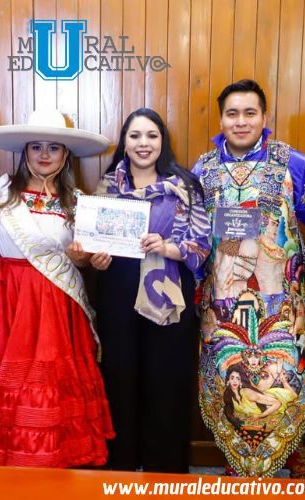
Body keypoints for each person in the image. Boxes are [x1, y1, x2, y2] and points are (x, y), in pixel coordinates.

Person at [0, 109, 114, 467]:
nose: (44, 154)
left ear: (65, 154)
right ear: (25, 152)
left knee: (53, 382)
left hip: (57, 302)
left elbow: (82, 259)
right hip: (11, 299)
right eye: (36, 147)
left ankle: (56, 455)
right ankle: (12, 456)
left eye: (54, 147)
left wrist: (86, 258)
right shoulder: (0, 194)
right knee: (13, 380)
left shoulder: (77, 200)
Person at [193, 79, 305, 478]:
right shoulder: (202, 169)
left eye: (250, 113)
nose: (241, 121)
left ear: (265, 117)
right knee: (231, 385)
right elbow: (194, 232)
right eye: (232, 114)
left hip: (282, 304)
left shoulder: (293, 162)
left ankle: (298, 467)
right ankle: (237, 469)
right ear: (221, 120)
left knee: (286, 383)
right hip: (222, 303)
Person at [77, 108, 210, 472]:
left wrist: (169, 247)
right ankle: (120, 466)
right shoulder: (107, 187)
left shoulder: (184, 187)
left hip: (168, 292)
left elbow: (202, 246)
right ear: (125, 142)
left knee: (166, 380)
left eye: (151, 135)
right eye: (135, 136)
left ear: (162, 140)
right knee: (119, 378)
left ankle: (164, 469)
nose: (143, 143)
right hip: (118, 292)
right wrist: (96, 259)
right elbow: (91, 246)